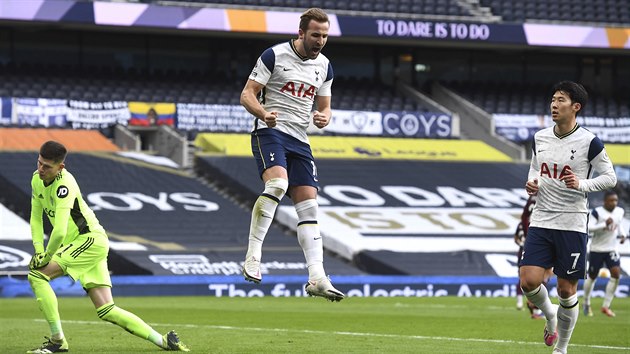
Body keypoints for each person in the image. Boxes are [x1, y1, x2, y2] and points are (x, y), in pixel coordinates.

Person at [27, 141, 189, 353]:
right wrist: (38, 249)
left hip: (88, 240)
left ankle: (58, 341)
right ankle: (165, 341)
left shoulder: (65, 185)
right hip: (85, 244)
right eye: (39, 163)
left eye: (47, 166)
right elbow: (36, 218)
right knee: (106, 310)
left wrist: (46, 256)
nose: (41, 169)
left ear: (60, 168)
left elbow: (58, 231)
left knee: (37, 275)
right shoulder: (36, 180)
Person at [239, 8, 344, 302]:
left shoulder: (324, 66)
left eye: (324, 36)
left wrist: (324, 116)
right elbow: (247, 94)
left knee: (310, 207)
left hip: (300, 138)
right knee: (277, 185)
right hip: (269, 131)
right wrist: (263, 112)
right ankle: (253, 256)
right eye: (315, 35)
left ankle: (317, 278)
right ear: (301, 33)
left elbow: (324, 107)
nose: (320, 41)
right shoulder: (274, 56)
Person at [520, 81, 617, 354]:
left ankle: (561, 348)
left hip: (572, 222)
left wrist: (582, 184)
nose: (553, 104)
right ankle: (550, 316)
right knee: (528, 280)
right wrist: (532, 183)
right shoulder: (540, 137)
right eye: (552, 99)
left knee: (565, 289)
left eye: (560, 100)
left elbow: (610, 178)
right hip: (541, 218)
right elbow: (534, 169)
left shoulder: (589, 141)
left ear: (576, 107)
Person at [582, 190, 627, 317]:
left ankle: (606, 306)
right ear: (605, 201)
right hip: (597, 249)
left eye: (616, 200)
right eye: (611, 200)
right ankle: (586, 303)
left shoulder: (620, 211)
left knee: (616, 274)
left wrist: (622, 235)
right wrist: (603, 224)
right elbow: (589, 228)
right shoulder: (597, 212)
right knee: (592, 276)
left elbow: (618, 225)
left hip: (612, 249)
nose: (614, 203)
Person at [514, 195, 548, 319]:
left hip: (531, 247)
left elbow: (524, 216)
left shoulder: (525, 218)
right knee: (540, 278)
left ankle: (534, 306)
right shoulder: (544, 198)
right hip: (537, 245)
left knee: (529, 279)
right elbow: (516, 237)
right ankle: (535, 307)